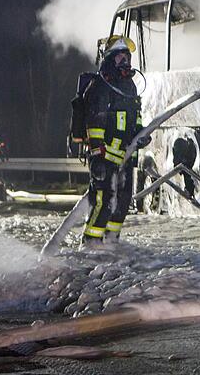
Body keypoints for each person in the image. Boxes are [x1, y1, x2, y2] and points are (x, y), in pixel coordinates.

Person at [80, 36, 146, 245]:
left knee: (123, 202)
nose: (125, 61)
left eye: (127, 57)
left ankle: (111, 242)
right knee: (104, 202)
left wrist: (140, 132)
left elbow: (136, 116)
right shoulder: (100, 86)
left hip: (124, 156)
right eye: (120, 57)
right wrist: (97, 157)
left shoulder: (129, 86)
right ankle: (91, 243)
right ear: (109, 59)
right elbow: (94, 123)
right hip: (104, 156)